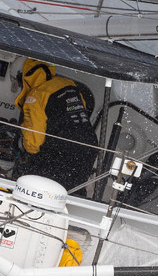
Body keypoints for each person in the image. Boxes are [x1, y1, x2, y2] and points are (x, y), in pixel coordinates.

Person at [13, 58, 99, 192]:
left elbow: (33, 144)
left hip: (62, 150)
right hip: (88, 147)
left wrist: (22, 146)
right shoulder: (67, 84)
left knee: (38, 185)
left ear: (23, 77)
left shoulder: (35, 96)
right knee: (73, 189)